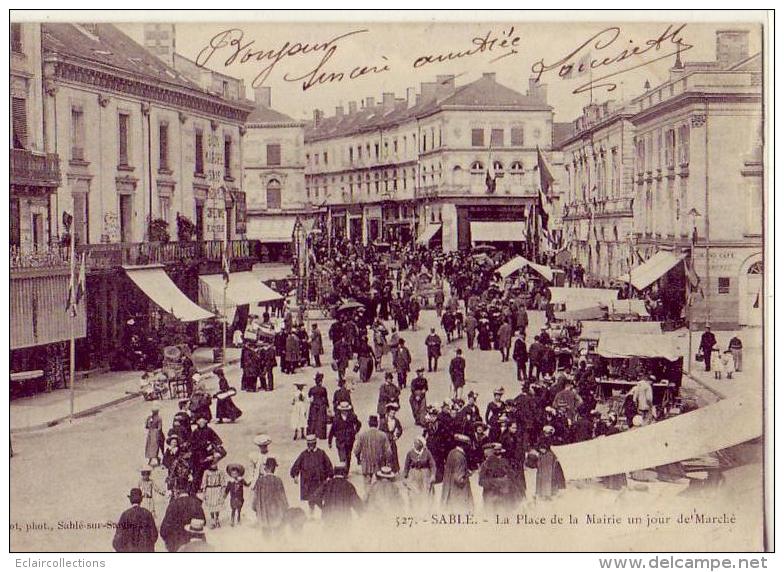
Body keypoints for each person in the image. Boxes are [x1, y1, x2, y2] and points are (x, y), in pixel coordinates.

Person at [290, 434, 334, 513]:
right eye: (309, 444)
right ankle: (312, 513)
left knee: (319, 498)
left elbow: (328, 465)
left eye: (312, 444)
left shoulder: (321, 453)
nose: (310, 446)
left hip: (319, 481)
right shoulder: (304, 454)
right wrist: (295, 475)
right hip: (308, 482)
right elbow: (296, 465)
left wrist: (330, 476)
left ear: (315, 443)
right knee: (310, 499)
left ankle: (325, 512)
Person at [160, 488, 206, 553]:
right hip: (196, 547)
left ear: (177, 491)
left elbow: (163, 531)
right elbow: (203, 523)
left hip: (176, 546)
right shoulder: (196, 503)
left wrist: (169, 544)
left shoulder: (172, 505)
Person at [479, 443, 522, 512]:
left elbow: (512, 476)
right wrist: (497, 482)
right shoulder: (485, 465)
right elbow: (481, 481)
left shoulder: (504, 462)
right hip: (490, 496)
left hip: (502, 496)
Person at [112, 488, 158, 553]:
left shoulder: (125, 515)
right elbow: (154, 535)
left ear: (130, 500)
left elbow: (117, 540)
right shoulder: (147, 514)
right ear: (141, 499)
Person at [252, 457, 289, 535]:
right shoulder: (278, 480)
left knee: (265, 531)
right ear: (273, 468)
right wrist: (285, 507)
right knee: (277, 530)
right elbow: (282, 496)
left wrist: (255, 507)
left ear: (266, 468)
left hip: (263, 511)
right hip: (275, 511)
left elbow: (255, 497)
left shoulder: (260, 481)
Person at [189, 416, 224, 495]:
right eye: (199, 422)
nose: (201, 423)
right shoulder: (195, 431)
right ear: (197, 422)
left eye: (203, 422)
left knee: (208, 470)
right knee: (197, 472)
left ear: (206, 422)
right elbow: (191, 443)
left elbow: (217, 440)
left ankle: (208, 485)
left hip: (207, 454)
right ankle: (197, 487)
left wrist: (212, 445)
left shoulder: (209, 430)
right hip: (197, 455)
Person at [355, 415, 392, 484]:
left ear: (369, 423)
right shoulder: (383, 435)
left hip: (366, 464)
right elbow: (389, 452)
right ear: (377, 424)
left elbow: (356, 450)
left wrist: (358, 459)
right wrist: (387, 463)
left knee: (367, 486)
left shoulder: (362, 435)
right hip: (379, 463)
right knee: (379, 485)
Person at [441, 434, 474, 510]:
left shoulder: (451, 453)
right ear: (463, 445)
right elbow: (459, 479)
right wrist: (467, 474)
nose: (469, 447)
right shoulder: (460, 457)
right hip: (458, 493)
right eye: (467, 445)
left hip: (449, 490)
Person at [402, 437, 436, 508]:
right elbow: (406, 466)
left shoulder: (427, 453)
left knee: (426, 495)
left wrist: (433, 475)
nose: (415, 444)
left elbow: (432, 465)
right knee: (414, 495)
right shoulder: (410, 453)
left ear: (421, 444)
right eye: (415, 442)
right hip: (414, 476)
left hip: (425, 476)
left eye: (417, 442)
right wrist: (404, 477)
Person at [328, 401, 362, 470]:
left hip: (350, 440)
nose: (345, 412)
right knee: (342, 457)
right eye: (343, 411)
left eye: (346, 410)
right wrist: (330, 441)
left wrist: (355, 432)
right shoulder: (336, 419)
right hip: (340, 441)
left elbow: (359, 424)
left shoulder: (352, 417)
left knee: (348, 456)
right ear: (340, 410)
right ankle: (343, 471)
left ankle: (346, 471)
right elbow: (332, 430)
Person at [380, 402, 404, 472]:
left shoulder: (396, 421)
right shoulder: (383, 421)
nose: (393, 414)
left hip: (392, 440)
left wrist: (397, 436)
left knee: (393, 455)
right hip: (384, 440)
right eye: (391, 413)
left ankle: (393, 470)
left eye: (394, 413)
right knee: (384, 455)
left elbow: (400, 429)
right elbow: (380, 430)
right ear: (388, 413)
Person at [307, 372, 330, 440]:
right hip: (321, 405)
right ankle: (321, 434)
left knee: (313, 420)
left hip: (314, 405)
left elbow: (309, 396)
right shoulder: (323, 389)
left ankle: (312, 433)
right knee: (321, 421)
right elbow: (325, 398)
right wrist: (327, 406)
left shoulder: (312, 389)